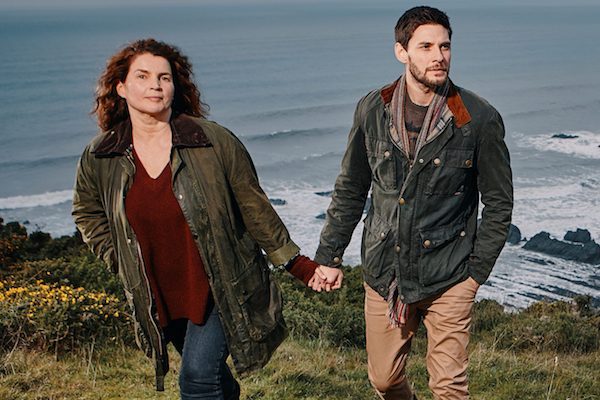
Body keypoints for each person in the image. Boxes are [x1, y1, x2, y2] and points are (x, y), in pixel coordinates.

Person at [72, 38, 335, 399]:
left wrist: (298, 265)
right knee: (209, 376)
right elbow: (87, 212)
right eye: (143, 76)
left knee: (196, 378)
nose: (155, 85)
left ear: (175, 87)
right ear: (120, 87)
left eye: (164, 78)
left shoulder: (212, 142)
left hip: (220, 283)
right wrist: (117, 256)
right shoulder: (102, 155)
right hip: (158, 290)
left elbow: (253, 207)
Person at [314, 6, 513, 399]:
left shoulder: (475, 117)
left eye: (445, 46)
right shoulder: (373, 108)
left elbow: (499, 202)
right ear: (401, 52)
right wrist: (329, 255)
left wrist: (475, 274)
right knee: (385, 380)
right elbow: (351, 187)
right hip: (385, 268)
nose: (438, 55)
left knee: (449, 386)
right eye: (426, 46)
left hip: (451, 273)